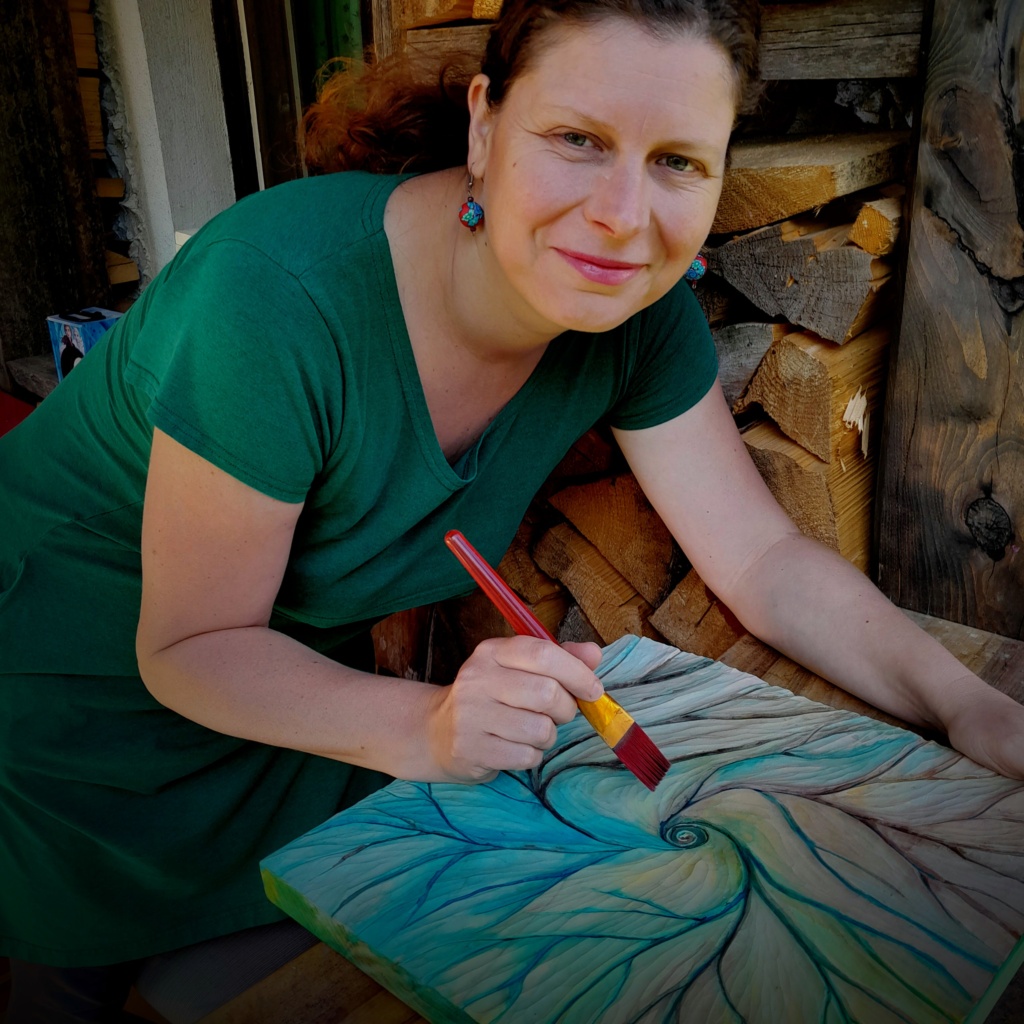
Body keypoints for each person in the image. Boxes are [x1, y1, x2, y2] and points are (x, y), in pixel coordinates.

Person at [2, 0, 1022, 1020]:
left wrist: (959, 701)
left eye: (677, 161)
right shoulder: (272, 300)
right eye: (578, 139)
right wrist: (429, 723)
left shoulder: (637, 319)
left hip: (306, 722)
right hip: (71, 732)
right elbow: (192, 644)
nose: (623, 213)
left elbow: (759, 558)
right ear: (486, 125)